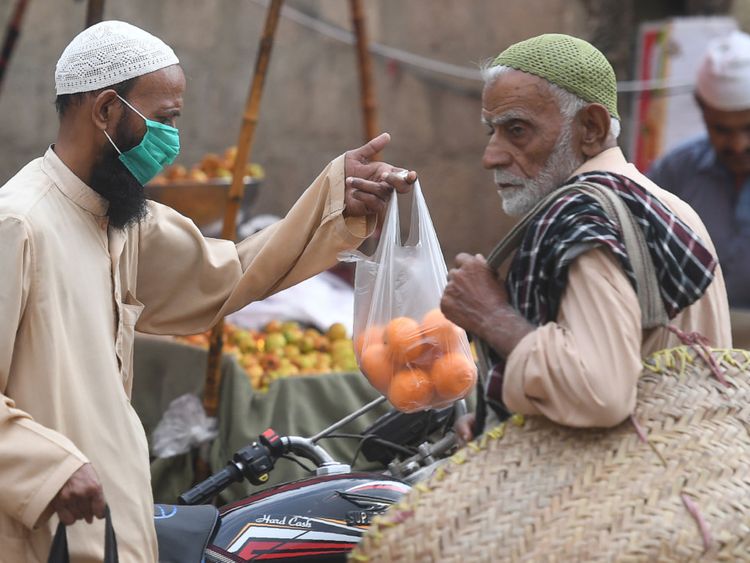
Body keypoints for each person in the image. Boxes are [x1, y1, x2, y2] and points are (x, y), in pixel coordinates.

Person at [0, 21, 414, 562]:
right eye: (165, 119)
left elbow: (228, 271)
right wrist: (47, 466)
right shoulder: (19, 223)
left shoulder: (120, 221)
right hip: (44, 535)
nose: (174, 140)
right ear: (105, 111)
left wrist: (334, 202)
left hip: (114, 527)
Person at [440, 34, 731, 443]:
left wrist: (491, 316)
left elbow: (600, 392)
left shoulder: (581, 214)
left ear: (590, 128)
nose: (492, 155)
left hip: (628, 494)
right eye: (493, 131)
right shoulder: (670, 206)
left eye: (517, 130)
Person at [647, 31, 750, 309]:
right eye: (723, 130)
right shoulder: (675, 173)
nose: (739, 145)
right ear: (703, 111)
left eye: (748, 128)